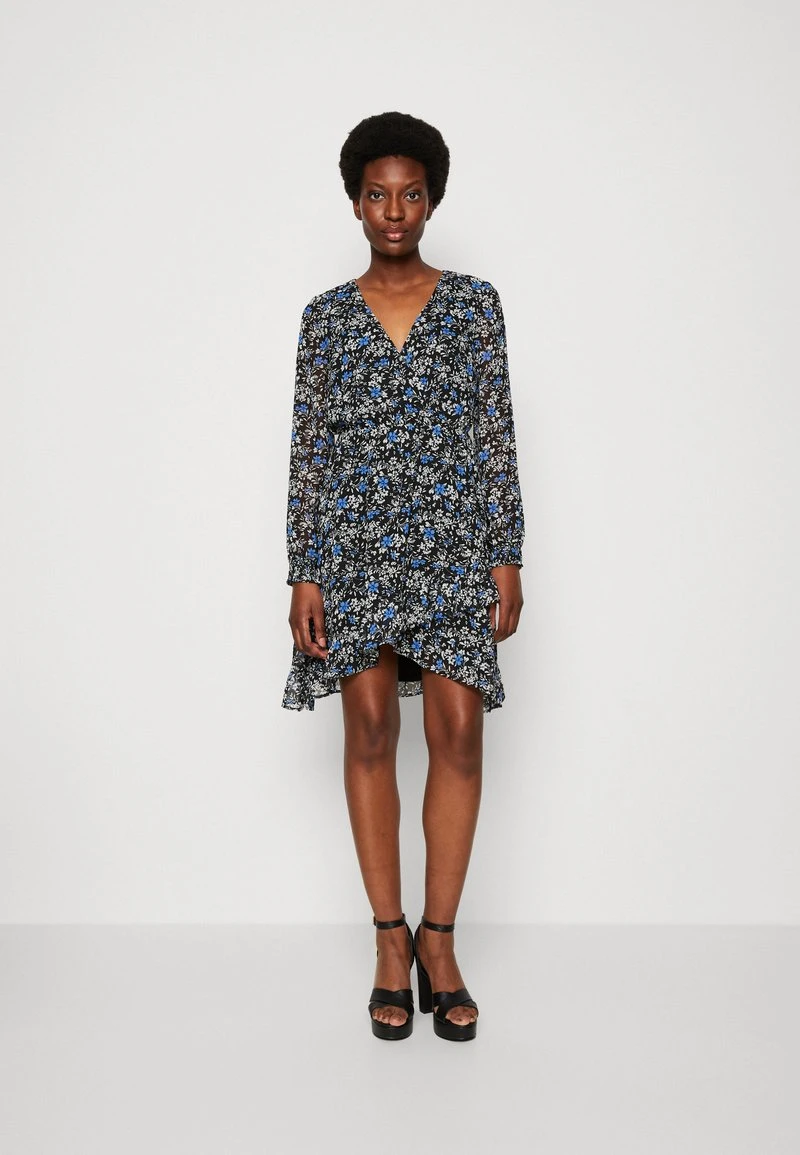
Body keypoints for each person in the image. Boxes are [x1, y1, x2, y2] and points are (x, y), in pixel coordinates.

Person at [281, 111, 525, 1041]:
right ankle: (390, 941)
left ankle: (440, 940)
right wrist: (304, 572)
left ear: (432, 201)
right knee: (372, 727)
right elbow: (309, 452)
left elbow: (495, 435)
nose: (394, 210)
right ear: (355, 203)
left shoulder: (474, 305)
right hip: (354, 544)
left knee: (458, 731)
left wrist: (506, 553)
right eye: (378, 194)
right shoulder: (325, 318)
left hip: (453, 541)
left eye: (411, 194)